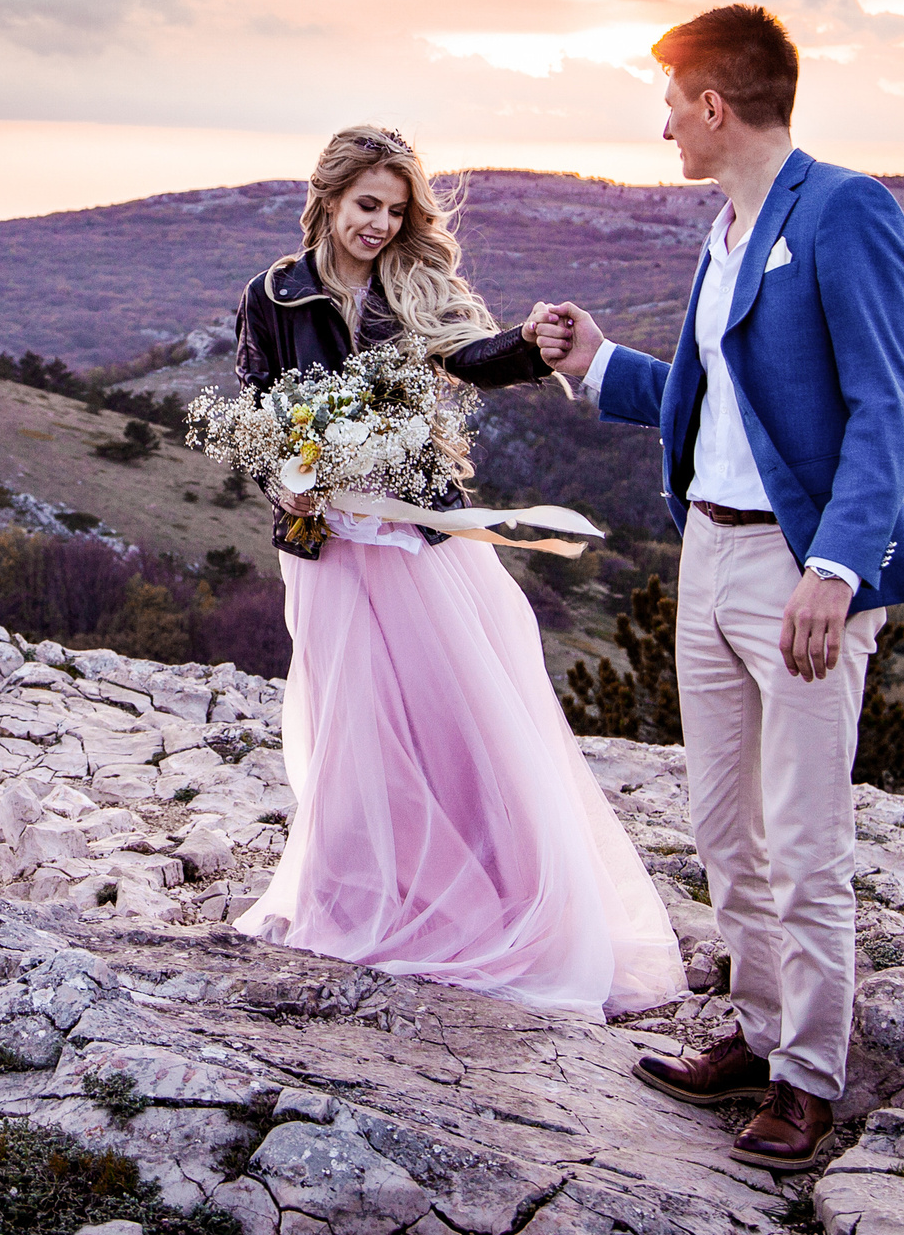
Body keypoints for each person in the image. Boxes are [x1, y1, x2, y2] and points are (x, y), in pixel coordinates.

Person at [532, 5, 904, 1170]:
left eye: (670, 105)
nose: (661, 128)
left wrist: (834, 568)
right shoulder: (721, 231)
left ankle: (811, 1080)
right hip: (705, 557)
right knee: (722, 826)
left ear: (714, 105)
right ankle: (759, 1039)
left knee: (805, 835)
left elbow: (883, 406)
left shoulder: (846, 209)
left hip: (798, 569)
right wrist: (598, 361)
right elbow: (719, 404)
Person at [230, 125, 686, 1023]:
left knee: (454, 711)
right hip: (325, 543)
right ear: (328, 199)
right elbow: (255, 409)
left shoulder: (408, 285)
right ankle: (358, 894)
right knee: (350, 720)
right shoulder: (273, 295)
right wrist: (288, 477)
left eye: (397, 212)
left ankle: (495, 896)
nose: (381, 225)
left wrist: (532, 344)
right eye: (368, 206)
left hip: (415, 538)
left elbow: (468, 353)